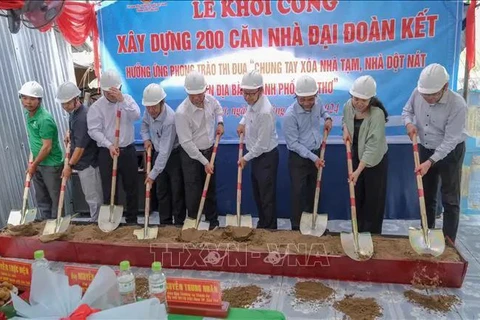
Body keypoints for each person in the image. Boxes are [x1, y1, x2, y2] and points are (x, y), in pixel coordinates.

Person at [402, 63, 467, 243]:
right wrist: (409, 124)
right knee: (427, 195)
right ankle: (426, 235)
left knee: (450, 199)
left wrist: (430, 162)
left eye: (432, 95)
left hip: (450, 152)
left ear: (445, 87)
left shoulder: (457, 105)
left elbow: (450, 140)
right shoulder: (418, 93)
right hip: (425, 146)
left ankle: (448, 242)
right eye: (425, 95)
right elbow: (407, 111)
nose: (428, 98)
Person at [87, 69, 141, 224]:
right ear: (103, 90)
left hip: (128, 150)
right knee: (109, 188)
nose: (112, 94)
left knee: (131, 187)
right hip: (107, 152)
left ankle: (132, 219)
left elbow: (136, 116)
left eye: (114, 90)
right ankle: (112, 221)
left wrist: (122, 101)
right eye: (108, 92)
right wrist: (108, 144)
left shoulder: (127, 100)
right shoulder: (97, 107)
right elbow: (93, 130)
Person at [175, 70, 224, 230]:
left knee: (210, 188)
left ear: (205, 90)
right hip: (191, 156)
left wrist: (221, 123)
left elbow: (218, 108)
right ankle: (193, 223)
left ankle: (213, 221)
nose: (197, 98)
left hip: (209, 150)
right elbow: (187, 143)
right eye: (193, 95)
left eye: (200, 94)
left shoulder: (210, 101)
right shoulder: (182, 113)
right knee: (193, 190)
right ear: (187, 92)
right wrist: (204, 162)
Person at [283, 75, 333, 231]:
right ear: (296, 96)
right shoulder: (290, 115)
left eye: (310, 99)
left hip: (316, 153)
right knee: (298, 193)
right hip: (298, 158)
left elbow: (324, 111)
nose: (307, 103)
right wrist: (314, 158)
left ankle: (314, 224)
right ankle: (297, 228)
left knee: (315, 189)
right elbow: (293, 144)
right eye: (302, 99)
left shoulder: (318, 103)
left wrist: (328, 118)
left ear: (316, 95)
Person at [342, 75, 388, 234]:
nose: (359, 103)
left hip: (374, 161)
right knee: (357, 195)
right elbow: (345, 119)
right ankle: (358, 231)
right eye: (356, 98)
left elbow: (372, 147)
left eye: (364, 100)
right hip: (355, 155)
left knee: (373, 201)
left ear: (371, 99)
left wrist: (358, 171)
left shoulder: (377, 115)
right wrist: (345, 129)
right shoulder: (348, 106)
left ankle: (373, 235)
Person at [237, 70, 279, 229]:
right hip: (256, 155)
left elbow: (262, 144)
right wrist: (242, 122)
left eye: (251, 94)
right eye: (244, 93)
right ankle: (263, 223)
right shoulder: (254, 103)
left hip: (266, 157)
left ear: (261, 91)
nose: (247, 97)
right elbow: (248, 113)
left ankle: (269, 228)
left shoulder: (265, 112)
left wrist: (245, 158)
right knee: (258, 193)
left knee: (266, 195)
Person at [56, 81, 103, 222]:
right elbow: (76, 134)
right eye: (63, 104)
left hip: (88, 163)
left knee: (93, 195)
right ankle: (96, 219)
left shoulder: (82, 117)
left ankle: (96, 222)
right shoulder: (74, 113)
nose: (64, 107)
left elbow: (80, 148)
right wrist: (69, 132)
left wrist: (69, 166)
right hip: (83, 163)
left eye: (67, 103)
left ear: (76, 99)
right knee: (90, 194)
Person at [141, 83, 186, 226]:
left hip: (173, 156)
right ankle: (165, 223)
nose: (151, 110)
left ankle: (179, 223)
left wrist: (152, 175)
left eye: (154, 107)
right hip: (158, 152)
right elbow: (144, 125)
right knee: (161, 191)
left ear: (162, 103)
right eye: (148, 107)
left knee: (177, 190)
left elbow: (165, 152)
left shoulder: (170, 120)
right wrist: (146, 139)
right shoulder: (148, 111)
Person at [19, 81, 64, 221]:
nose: (28, 102)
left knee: (55, 198)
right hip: (38, 162)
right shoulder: (29, 115)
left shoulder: (44, 119)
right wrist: (34, 164)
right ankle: (45, 223)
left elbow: (47, 147)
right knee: (41, 196)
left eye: (32, 99)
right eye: (25, 98)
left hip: (51, 164)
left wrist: (34, 164)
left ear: (39, 100)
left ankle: (57, 225)